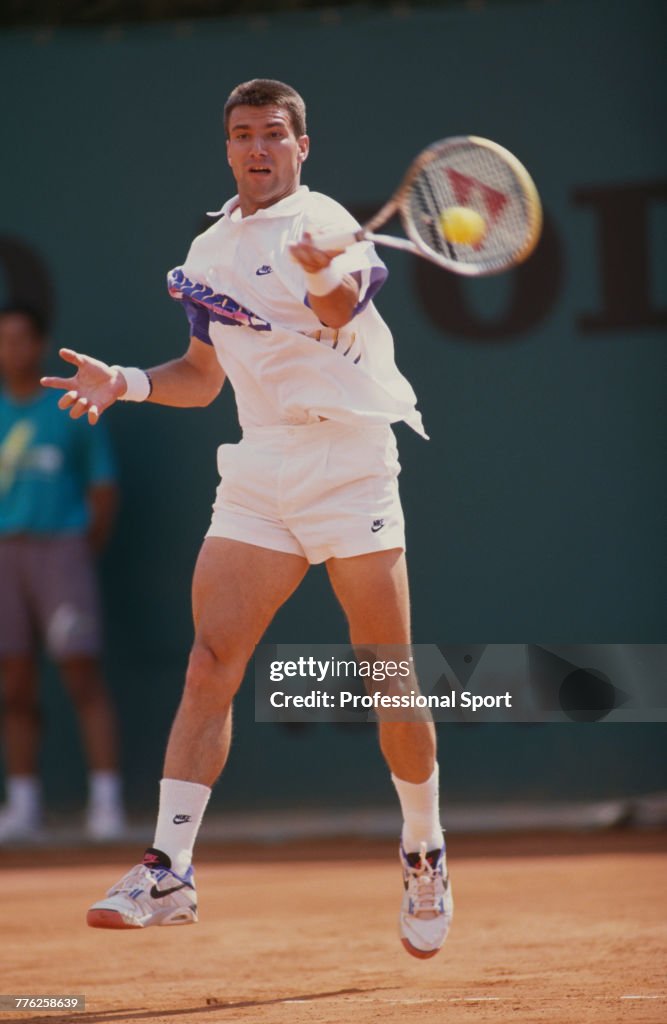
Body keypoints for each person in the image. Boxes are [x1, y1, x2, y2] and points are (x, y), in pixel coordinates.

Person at [42, 79, 452, 957]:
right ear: (226, 149)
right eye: (242, 134)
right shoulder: (208, 247)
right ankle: (169, 869)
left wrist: (317, 273)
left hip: (349, 464)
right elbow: (203, 372)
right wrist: (130, 383)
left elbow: (341, 309)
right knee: (210, 660)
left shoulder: (327, 224)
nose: (257, 147)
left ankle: (422, 846)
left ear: (303, 145)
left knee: (386, 672)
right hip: (261, 466)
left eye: (274, 133)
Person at [0, 305, 126, 841]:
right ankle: (23, 805)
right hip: (5, 556)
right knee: (13, 680)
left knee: (80, 672)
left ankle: (106, 803)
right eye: (2, 341)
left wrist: (77, 546)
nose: (12, 351)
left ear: (40, 343)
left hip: (63, 552)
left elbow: (103, 489)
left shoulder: (69, 407)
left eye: (21, 339)